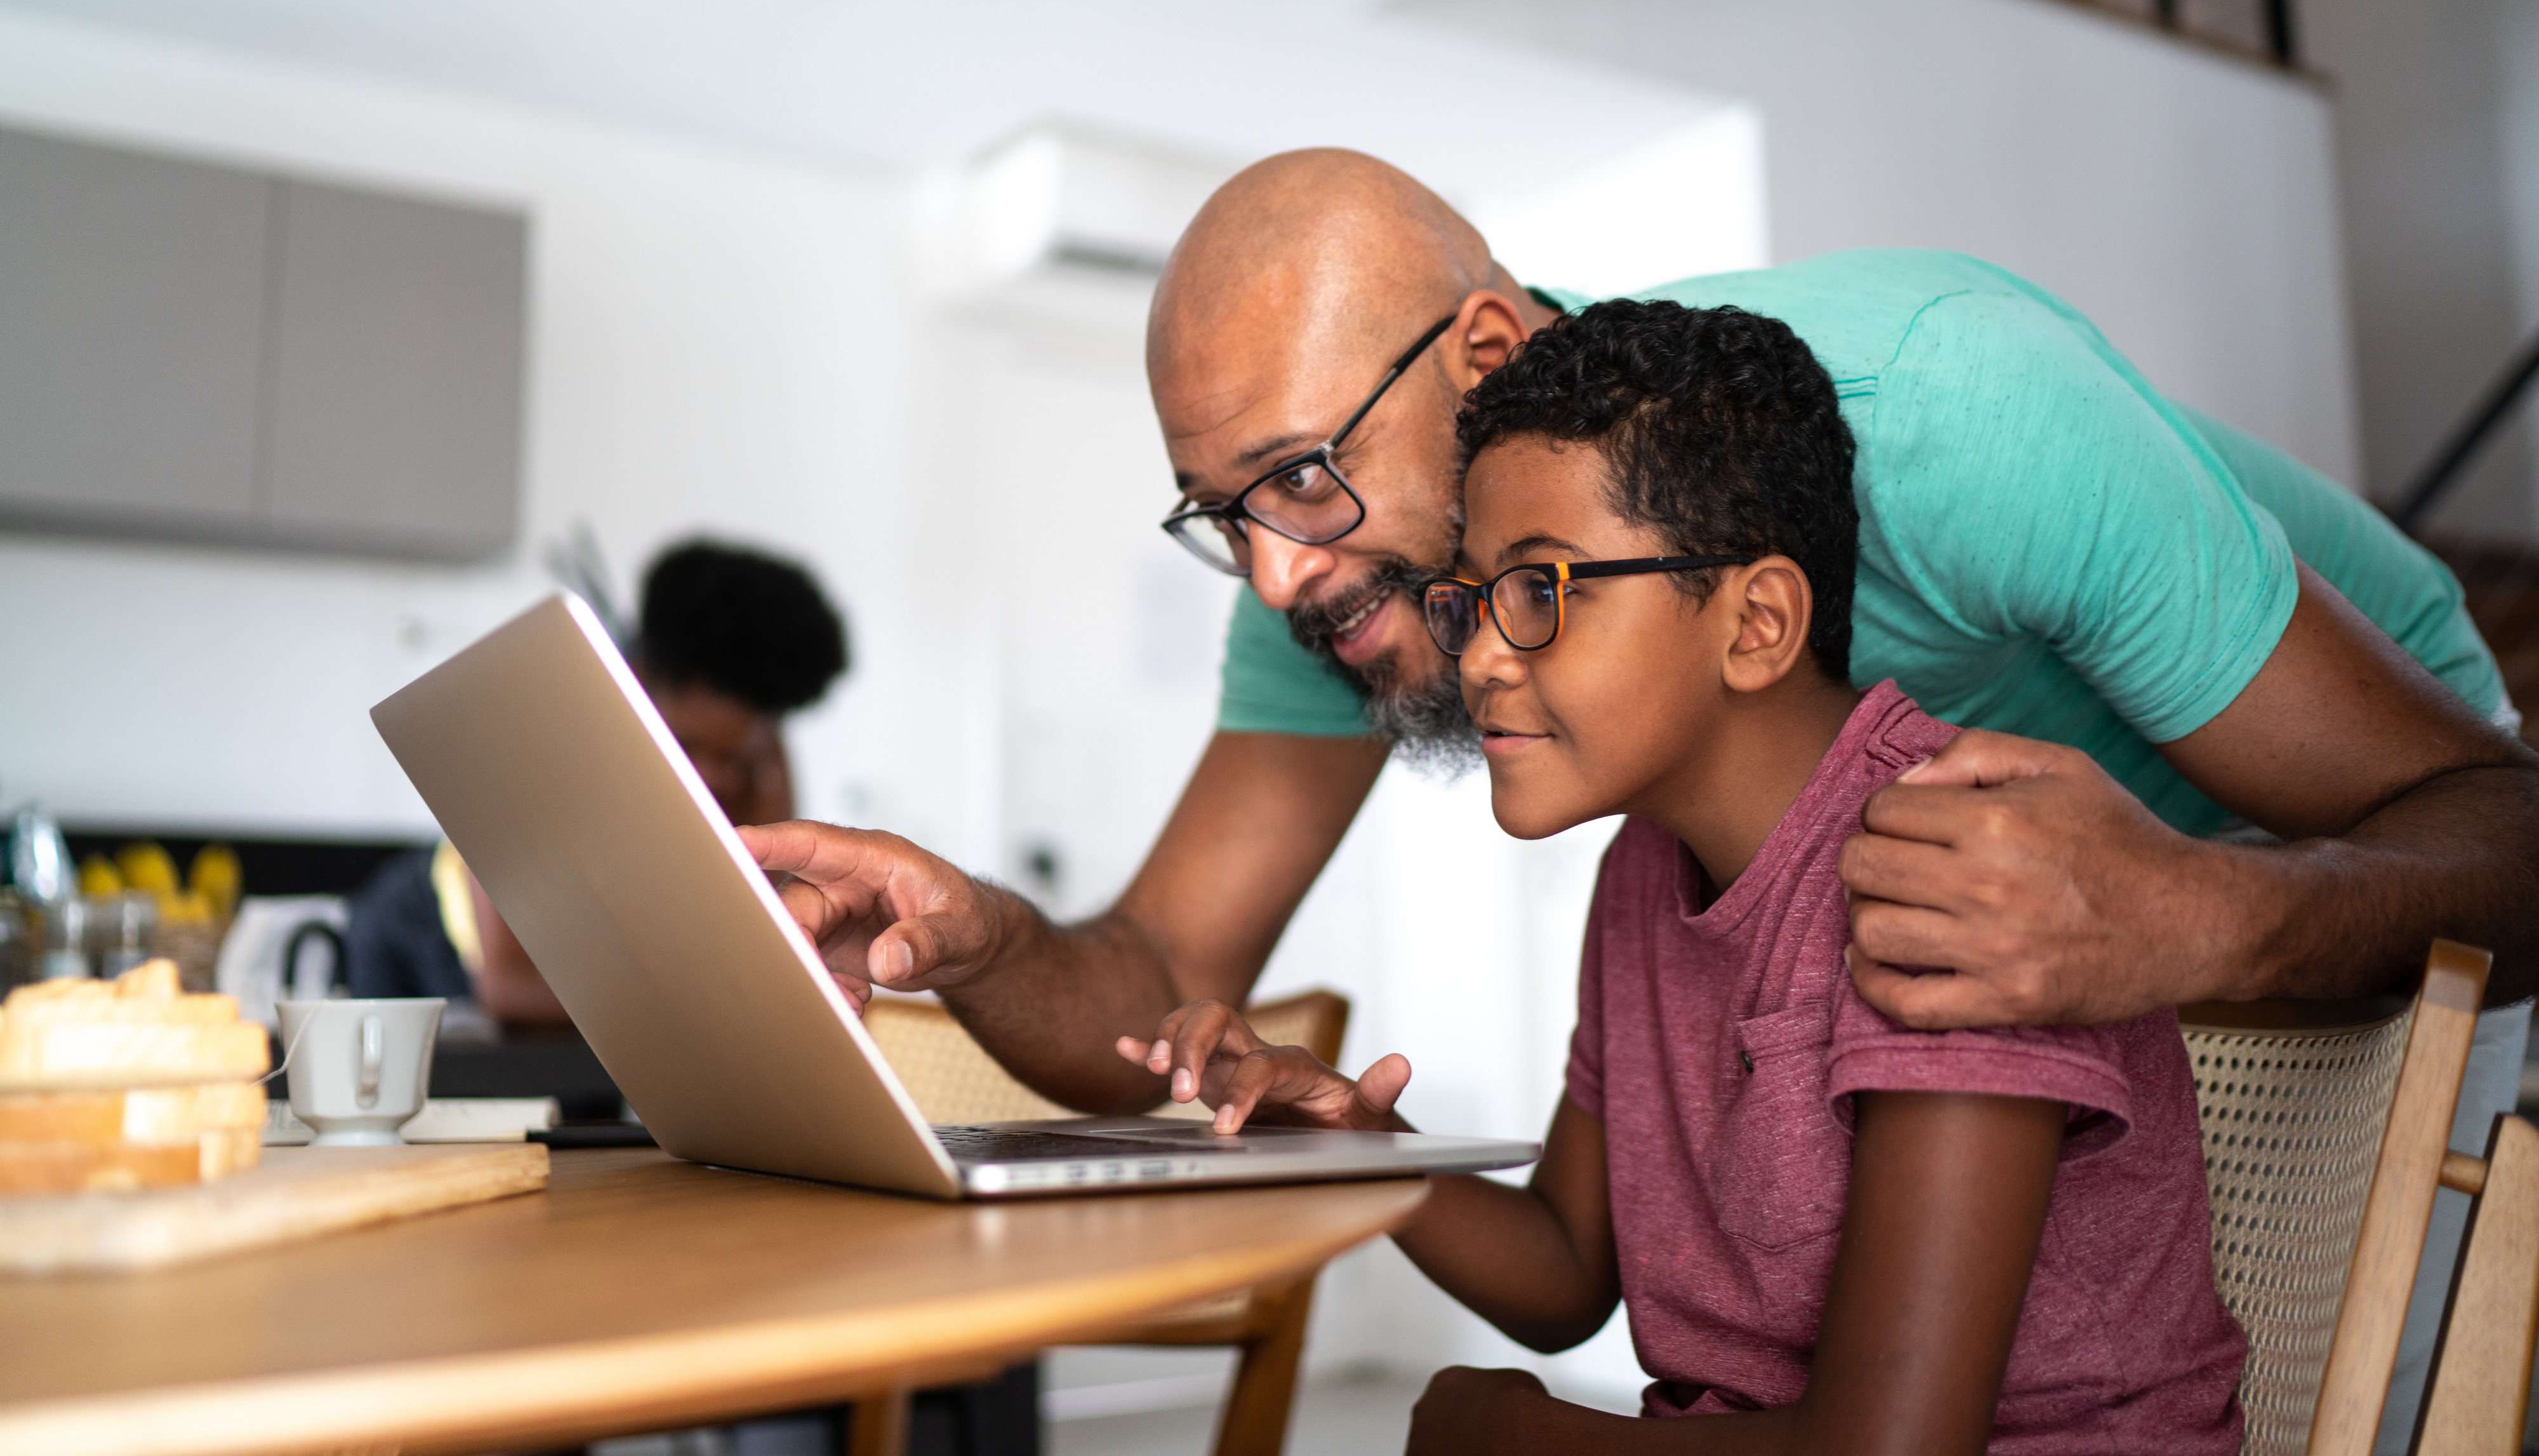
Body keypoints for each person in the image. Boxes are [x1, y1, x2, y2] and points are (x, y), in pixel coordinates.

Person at [747, 151, 2537, 1441]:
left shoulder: (1951, 420)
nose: (1276, 579)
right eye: (1221, 515)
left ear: (1482, 350)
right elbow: (1166, 981)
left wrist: (2199, 907)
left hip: (2332, 825)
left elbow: (2497, 826)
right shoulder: (1506, 723)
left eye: (1297, 475)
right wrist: (971, 936)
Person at [1125, 298, 2246, 1453]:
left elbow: (1890, 1445)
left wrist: (1519, 1437)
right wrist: (1347, 1143)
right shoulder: (1641, 872)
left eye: (1543, 590)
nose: (1483, 658)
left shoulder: (1957, 868)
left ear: (1756, 621)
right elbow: (1566, 1271)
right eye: (1472, 599)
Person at [349, 537, 849, 1017]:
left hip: (607, 973)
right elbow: (506, 986)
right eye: (688, 746)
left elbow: (751, 936)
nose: (712, 779)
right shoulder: (548, 758)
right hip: (434, 944)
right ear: (637, 679)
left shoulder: (760, 764)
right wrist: (705, 1002)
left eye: (735, 759)